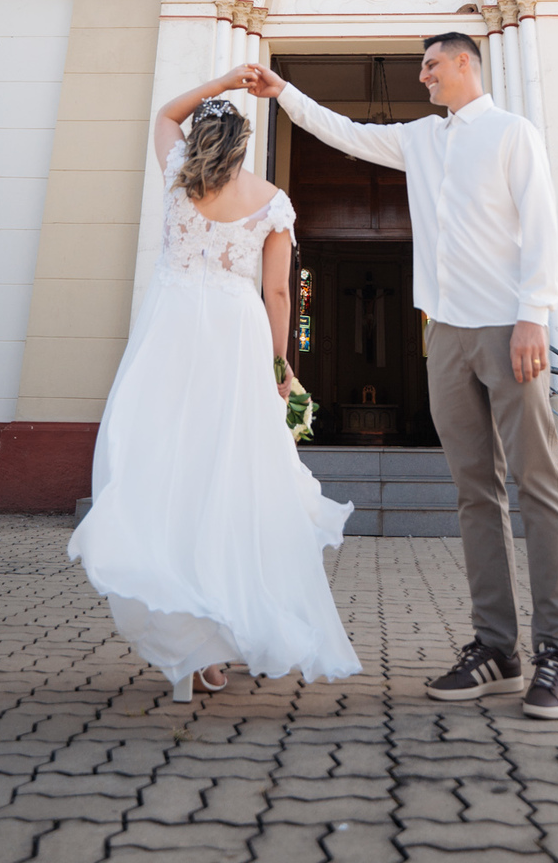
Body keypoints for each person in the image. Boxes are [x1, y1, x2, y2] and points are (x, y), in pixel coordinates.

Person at [249, 34, 558, 719]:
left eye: (432, 64)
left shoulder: (511, 133)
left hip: (508, 326)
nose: (423, 74)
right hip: (447, 334)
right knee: (473, 493)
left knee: (538, 483)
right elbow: (342, 130)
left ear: (466, 63)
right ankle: (497, 648)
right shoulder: (421, 141)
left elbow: (543, 227)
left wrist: (534, 316)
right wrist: (283, 93)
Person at [69, 68, 361, 696]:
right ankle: (219, 630)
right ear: (243, 146)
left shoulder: (178, 174)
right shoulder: (272, 200)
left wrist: (225, 78)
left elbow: (165, 114)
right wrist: (282, 364)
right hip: (234, 333)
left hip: (170, 327)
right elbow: (279, 290)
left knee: (169, 462)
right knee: (230, 471)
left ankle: (191, 635)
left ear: (203, 138)